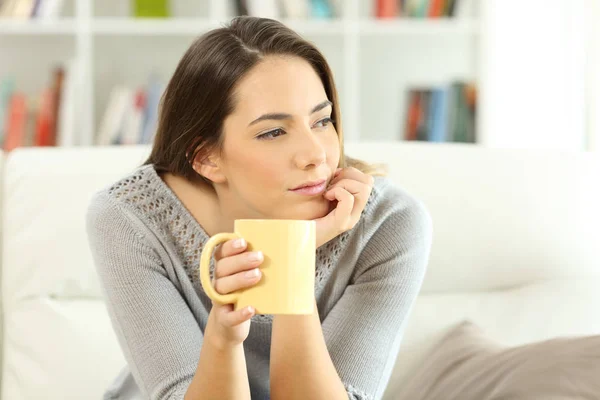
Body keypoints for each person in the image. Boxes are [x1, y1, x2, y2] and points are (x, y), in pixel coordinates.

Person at [86, 16, 432, 400]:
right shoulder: (131, 219)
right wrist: (222, 339)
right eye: (273, 132)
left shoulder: (389, 223)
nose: (316, 155)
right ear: (206, 158)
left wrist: (290, 258)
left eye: (321, 120)